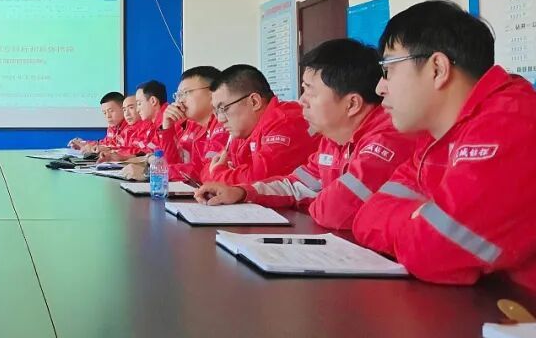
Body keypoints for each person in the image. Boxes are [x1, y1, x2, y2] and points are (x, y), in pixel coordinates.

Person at [352, 1, 536, 291]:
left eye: (388, 69)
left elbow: (430, 251)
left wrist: (422, 221)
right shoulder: (436, 137)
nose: (380, 88)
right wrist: (421, 218)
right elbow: (366, 217)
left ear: (437, 69)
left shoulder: (513, 124)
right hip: (491, 307)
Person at [196, 40, 415, 230]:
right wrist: (242, 192)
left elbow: (333, 212)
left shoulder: (387, 137)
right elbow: (295, 185)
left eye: (310, 91)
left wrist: (315, 199)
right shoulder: (333, 139)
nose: (301, 101)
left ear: (351, 104)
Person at [201, 65, 317, 184]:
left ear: (254, 102)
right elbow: (206, 170)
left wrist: (219, 174)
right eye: (216, 111)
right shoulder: (242, 130)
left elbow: (260, 180)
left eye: (223, 108)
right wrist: (221, 173)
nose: (220, 119)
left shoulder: (286, 123)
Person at [123, 67, 228, 182]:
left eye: (186, 93)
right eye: (178, 95)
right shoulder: (194, 126)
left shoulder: (224, 124)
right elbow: (172, 163)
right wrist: (167, 128)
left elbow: (204, 171)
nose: (180, 101)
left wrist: (151, 172)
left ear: (212, 92)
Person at [99, 81, 168, 161]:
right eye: (124, 110)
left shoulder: (168, 121)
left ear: (153, 101)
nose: (138, 110)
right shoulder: (155, 123)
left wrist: (123, 156)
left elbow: (162, 156)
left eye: (139, 104)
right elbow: (148, 151)